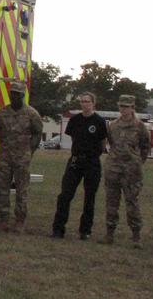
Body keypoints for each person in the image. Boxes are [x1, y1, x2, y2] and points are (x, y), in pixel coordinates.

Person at [51, 92, 108, 240]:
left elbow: (103, 144)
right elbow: (74, 137)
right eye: (82, 101)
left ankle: (85, 231)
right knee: (65, 195)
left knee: (89, 198)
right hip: (76, 161)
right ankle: (58, 229)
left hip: (92, 163)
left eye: (87, 101)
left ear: (93, 103)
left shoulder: (100, 122)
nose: (84, 104)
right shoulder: (75, 120)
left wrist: (92, 155)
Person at [0, 81, 43, 233]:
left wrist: (29, 150)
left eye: (17, 94)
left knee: (21, 189)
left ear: (22, 95)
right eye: (12, 93)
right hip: (5, 156)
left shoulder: (32, 114)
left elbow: (37, 133)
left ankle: (20, 221)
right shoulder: (2, 113)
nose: (14, 96)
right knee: (2, 188)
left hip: (22, 157)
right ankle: (3, 220)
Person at [101, 94, 150, 248]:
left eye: (127, 107)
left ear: (132, 108)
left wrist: (137, 162)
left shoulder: (139, 126)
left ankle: (136, 236)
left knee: (132, 202)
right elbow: (110, 143)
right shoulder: (113, 125)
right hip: (113, 169)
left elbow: (145, 147)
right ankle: (109, 233)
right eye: (121, 106)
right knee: (111, 202)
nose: (123, 109)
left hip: (131, 171)